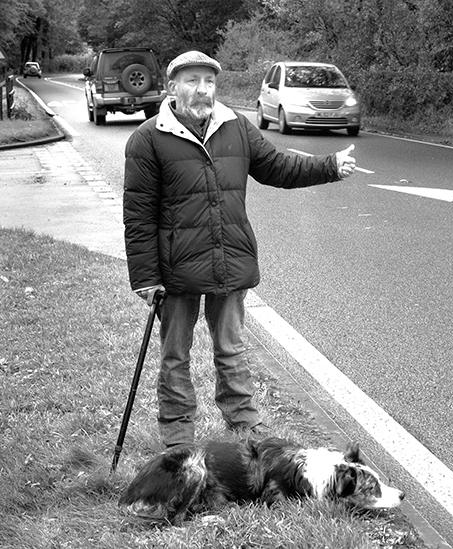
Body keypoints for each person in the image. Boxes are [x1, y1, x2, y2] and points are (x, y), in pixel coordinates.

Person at [123, 50, 357, 448]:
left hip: (229, 258)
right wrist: (146, 278)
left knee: (231, 348)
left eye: (209, 82)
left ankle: (245, 428)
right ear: (171, 87)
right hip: (175, 268)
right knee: (175, 354)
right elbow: (138, 215)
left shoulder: (237, 128)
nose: (202, 90)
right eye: (192, 81)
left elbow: (278, 167)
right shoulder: (147, 139)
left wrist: (328, 166)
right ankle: (179, 438)